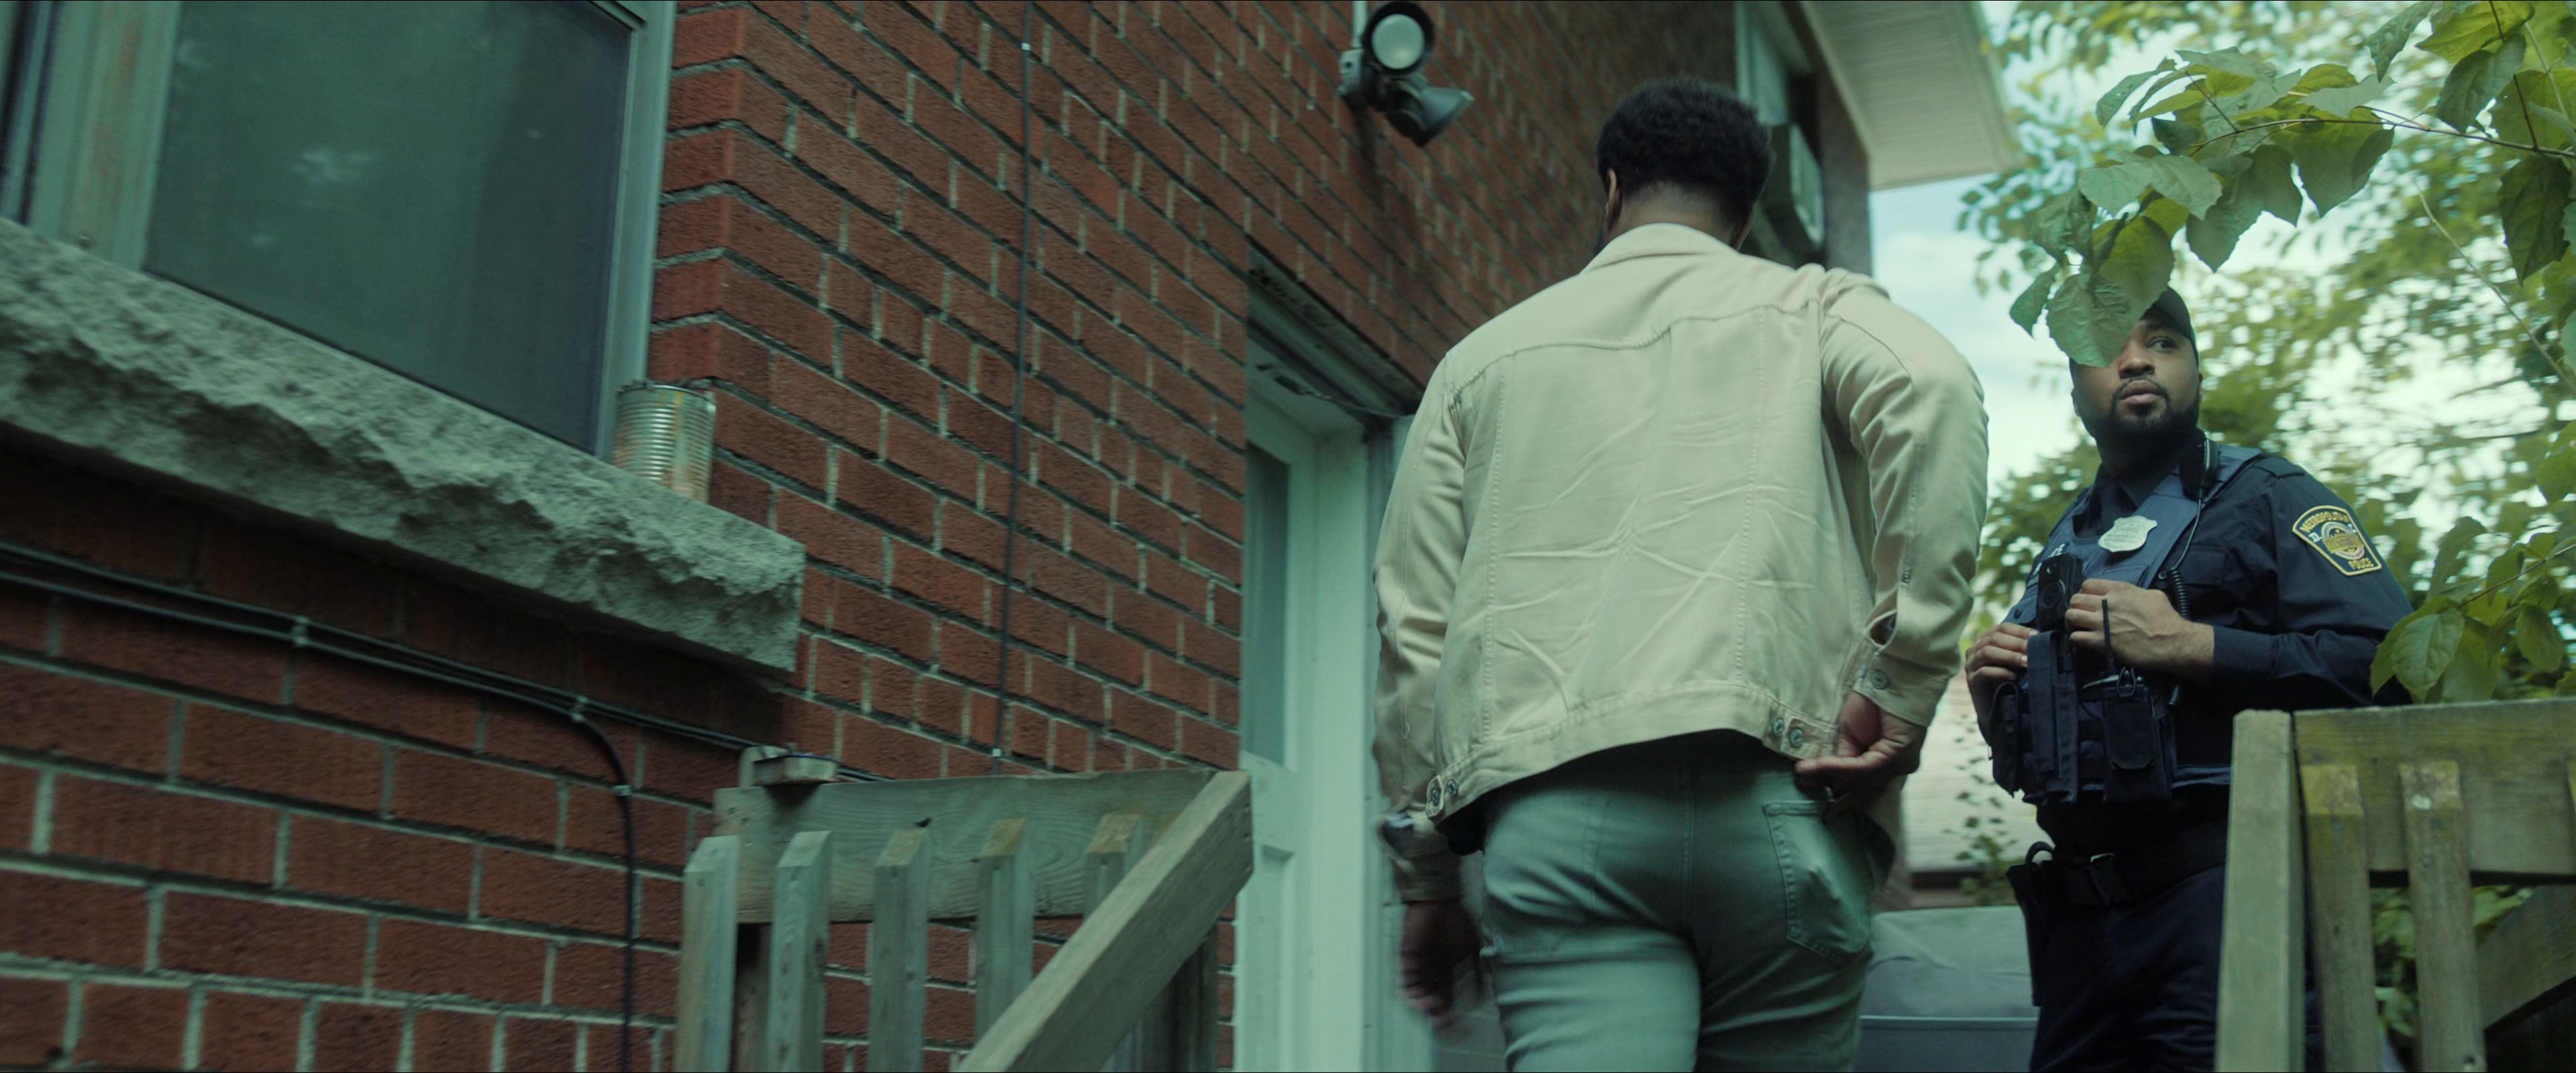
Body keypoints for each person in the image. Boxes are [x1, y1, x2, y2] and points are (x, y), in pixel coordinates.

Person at [1370, 77, 1990, 1071]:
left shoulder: (1480, 364)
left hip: (1560, 819)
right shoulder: (1814, 309)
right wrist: (1902, 680)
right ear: (1743, 219)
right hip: (1782, 801)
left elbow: (1415, 631)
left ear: (1612, 190)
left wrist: (1429, 877)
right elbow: (1935, 387)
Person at [1963, 290, 2412, 1071]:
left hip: (2226, 903)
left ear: (2198, 374)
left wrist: (2190, 644)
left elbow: (2388, 670)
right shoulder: (2068, 541)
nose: (2137, 360)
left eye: (2164, 343)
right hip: (2081, 934)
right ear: (2076, 388)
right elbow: (2044, 761)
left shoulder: (2272, 495)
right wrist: (1994, 698)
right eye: (2107, 346)